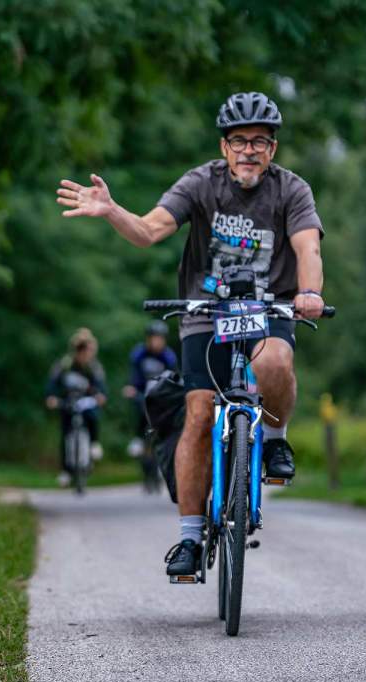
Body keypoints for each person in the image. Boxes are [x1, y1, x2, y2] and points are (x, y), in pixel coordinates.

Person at [56, 91, 326, 575]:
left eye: (260, 141)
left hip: (270, 306)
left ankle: (275, 435)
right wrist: (113, 211)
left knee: (276, 363)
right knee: (199, 413)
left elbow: (308, 249)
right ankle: (188, 539)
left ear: (273, 149)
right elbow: (149, 230)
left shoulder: (291, 190)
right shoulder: (201, 183)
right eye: (239, 141)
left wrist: (308, 292)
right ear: (224, 147)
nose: (249, 150)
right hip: (206, 311)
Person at [45, 328, 108, 487]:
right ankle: (66, 470)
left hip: (86, 402)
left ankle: (94, 442)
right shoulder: (65, 364)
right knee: (65, 433)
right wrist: (51, 397)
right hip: (68, 402)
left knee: (92, 415)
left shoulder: (93, 367)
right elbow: (52, 382)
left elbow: (101, 386)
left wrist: (100, 395)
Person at [122, 319, 178, 458]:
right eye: (154, 338)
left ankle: (167, 446)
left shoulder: (168, 356)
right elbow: (133, 375)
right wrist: (131, 387)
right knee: (141, 407)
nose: (157, 342)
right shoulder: (139, 354)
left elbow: (174, 377)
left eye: (160, 338)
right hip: (143, 391)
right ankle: (138, 438)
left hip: (161, 393)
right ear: (148, 339)